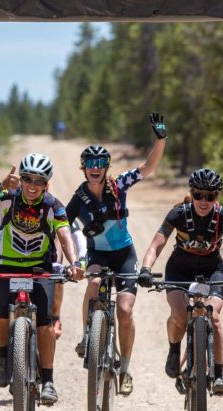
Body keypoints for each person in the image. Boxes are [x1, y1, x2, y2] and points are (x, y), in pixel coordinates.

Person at [0, 153, 84, 405]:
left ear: (46, 184)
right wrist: (0, 185)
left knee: (44, 323)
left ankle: (49, 380)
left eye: (38, 181)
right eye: (27, 179)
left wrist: (74, 263)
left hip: (38, 267)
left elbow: (65, 235)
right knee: (1, 312)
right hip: (7, 265)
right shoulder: (9, 197)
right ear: (20, 179)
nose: (32, 185)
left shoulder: (54, 205)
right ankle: (2, 355)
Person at [67, 112, 167, 396]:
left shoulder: (118, 184)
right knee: (94, 284)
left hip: (125, 254)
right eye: (90, 164)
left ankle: (125, 367)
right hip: (97, 254)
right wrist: (70, 259)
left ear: (107, 167)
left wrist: (161, 139)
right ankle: (88, 336)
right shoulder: (79, 197)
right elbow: (62, 225)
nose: (95, 169)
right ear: (83, 168)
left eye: (100, 164)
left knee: (124, 310)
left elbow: (148, 167)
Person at [138, 167, 223, 396]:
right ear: (191, 193)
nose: (204, 201)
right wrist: (146, 269)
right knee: (180, 315)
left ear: (217, 196)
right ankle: (174, 351)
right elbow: (157, 244)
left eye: (210, 196)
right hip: (179, 270)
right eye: (199, 195)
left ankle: (219, 374)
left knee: (214, 317)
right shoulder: (179, 213)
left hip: (212, 270)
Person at [0, 217, 85, 340]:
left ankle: (55, 317)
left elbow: (76, 236)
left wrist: (79, 260)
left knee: (56, 277)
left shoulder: (54, 208)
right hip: (16, 256)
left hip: (48, 252)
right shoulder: (14, 206)